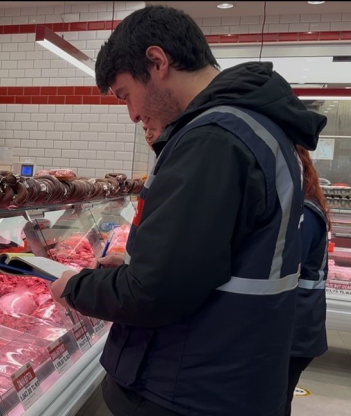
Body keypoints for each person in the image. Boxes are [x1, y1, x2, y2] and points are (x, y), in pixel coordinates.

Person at [50, 5, 326, 416]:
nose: (133, 114)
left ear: (157, 62)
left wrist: (74, 287)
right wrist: (138, 262)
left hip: (189, 387)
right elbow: (218, 258)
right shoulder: (254, 126)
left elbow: (155, 293)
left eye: (126, 94)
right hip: (228, 375)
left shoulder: (214, 138)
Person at [285, 145, 330, 416]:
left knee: (275, 402)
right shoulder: (305, 207)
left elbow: (284, 264)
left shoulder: (303, 213)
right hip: (297, 329)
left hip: (295, 332)